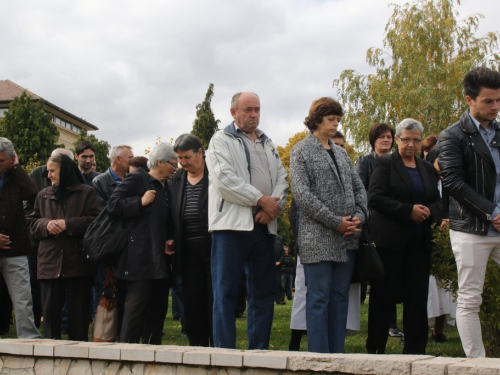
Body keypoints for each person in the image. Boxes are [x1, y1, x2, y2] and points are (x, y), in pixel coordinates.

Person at [206, 92, 288, 350]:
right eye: (248, 109)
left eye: (257, 109)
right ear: (233, 112)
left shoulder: (268, 142)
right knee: (226, 292)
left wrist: (273, 208)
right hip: (230, 227)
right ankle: (224, 353)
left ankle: (259, 352)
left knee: (263, 293)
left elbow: (283, 179)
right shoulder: (221, 139)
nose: (254, 114)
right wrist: (261, 199)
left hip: (263, 226)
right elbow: (225, 181)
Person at [289, 97, 367, 354]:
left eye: (338, 120)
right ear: (317, 119)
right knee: (319, 298)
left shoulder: (341, 153)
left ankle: (338, 356)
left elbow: (359, 188)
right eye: (331, 119)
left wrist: (359, 215)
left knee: (340, 298)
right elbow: (302, 195)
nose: (335, 124)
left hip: (348, 238)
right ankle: (319, 357)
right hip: (318, 237)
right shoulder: (301, 150)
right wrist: (336, 223)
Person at [437, 67, 500, 358]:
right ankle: (478, 365)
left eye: (499, 100)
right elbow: (453, 183)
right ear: (469, 100)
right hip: (471, 229)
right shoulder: (452, 136)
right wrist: (492, 213)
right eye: (489, 101)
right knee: (470, 298)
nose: (495, 106)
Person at [366, 118, 442, 355]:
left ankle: (415, 351)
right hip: (390, 243)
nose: (411, 144)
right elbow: (375, 198)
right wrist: (408, 211)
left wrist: (429, 211)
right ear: (397, 139)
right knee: (383, 298)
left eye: (416, 140)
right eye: (406, 139)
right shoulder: (386, 164)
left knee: (417, 299)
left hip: (419, 244)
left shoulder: (427, 168)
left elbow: (440, 202)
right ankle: (376, 349)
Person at [107, 142, 177, 344]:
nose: (175, 168)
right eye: (172, 164)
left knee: (158, 310)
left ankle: (152, 355)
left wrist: (170, 238)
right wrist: (139, 202)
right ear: (160, 162)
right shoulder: (138, 179)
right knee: (135, 310)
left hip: (161, 260)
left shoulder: (169, 187)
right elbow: (113, 204)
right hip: (138, 259)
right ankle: (126, 355)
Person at [27, 153, 101, 341]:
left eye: (52, 171)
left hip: (78, 263)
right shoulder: (43, 195)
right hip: (50, 263)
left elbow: (96, 221)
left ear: (65, 170)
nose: (48, 175)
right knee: (50, 319)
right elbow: (32, 222)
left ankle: (79, 359)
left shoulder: (87, 193)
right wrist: (45, 225)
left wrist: (68, 224)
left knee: (79, 318)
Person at [355, 123, 403, 337]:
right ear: (373, 140)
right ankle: (376, 328)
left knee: (391, 277)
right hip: (373, 223)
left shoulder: (399, 162)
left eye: (389, 136)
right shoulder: (365, 162)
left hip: (396, 222)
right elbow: (362, 191)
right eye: (381, 137)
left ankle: (392, 324)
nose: (386, 140)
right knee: (376, 275)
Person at [171, 133, 212, 347]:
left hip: (212, 247)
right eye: (179, 158)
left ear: (200, 152)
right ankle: (197, 346)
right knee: (192, 300)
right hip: (186, 250)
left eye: (186, 157)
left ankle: (217, 343)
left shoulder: (214, 174)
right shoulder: (178, 178)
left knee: (213, 298)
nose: (183, 163)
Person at [0, 137, 41, 339]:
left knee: (23, 298)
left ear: (11, 159)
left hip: (15, 248)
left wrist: (17, 169)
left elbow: (33, 192)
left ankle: (29, 340)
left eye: (1, 161)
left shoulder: (16, 177)